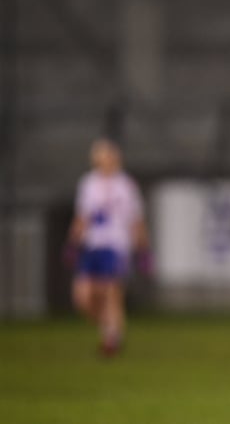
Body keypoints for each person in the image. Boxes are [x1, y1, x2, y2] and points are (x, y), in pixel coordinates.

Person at [64, 137, 150, 356]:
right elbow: (82, 217)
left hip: (116, 245)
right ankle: (111, 329)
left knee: (110, 292)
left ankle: (111, 337)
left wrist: (143, 249)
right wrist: (73, 242)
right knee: (83, 297)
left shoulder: (126, 185)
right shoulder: (88, 183)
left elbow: (136, 220)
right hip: (92, 245)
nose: (107, 161)